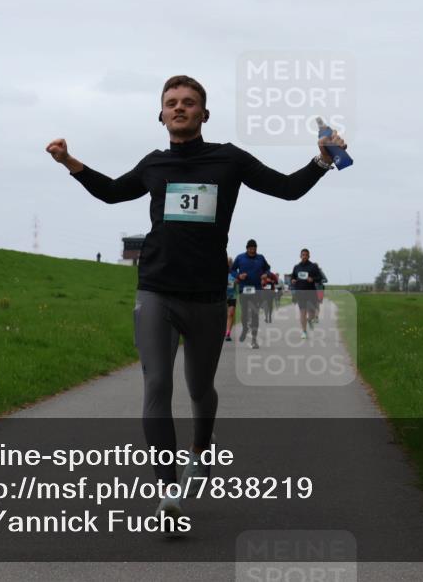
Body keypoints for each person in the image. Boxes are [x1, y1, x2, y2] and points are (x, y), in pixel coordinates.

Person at [46, 75, 346, 527]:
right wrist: (69, 160)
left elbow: (287, 188)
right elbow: (111, 192)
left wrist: (321, 161)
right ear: (161, 114)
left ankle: (202, 449)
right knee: (156, 386)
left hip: (207, 295)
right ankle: (168, 491)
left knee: (200, 389)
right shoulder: (153, 166)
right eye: (172, 103)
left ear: (204, 114)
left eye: (189, 103)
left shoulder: (228, 159)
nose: (180, 108)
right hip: (156, 289)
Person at [231, 239, 270, 349]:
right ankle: (245, 328)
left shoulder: (260, 258)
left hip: (257, 290)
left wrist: (265, 275)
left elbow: (267, 269)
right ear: (247, 248)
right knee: (244, 313)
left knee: (254, 314)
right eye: (251, 248)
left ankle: (254, 340)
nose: (253, 250)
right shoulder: (240, 258)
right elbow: (232, 270)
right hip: (244, 289)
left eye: (254, 248)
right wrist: (238, 276)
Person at [290, 248, 323, 338]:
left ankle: (310, 320)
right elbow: (293, 276)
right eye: (303, 255)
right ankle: (304, 332)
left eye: (306, 255)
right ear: (300, 256)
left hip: (311, 292)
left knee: (311, 312)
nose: (304, 256)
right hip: (300, 292)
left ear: (309, 256)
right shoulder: (296, 267)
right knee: (302, 312)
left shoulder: (313, 266)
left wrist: (312, 279)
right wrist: (292, 280)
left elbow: (320, 277)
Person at [225, 256, 237, 341]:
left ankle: (228, 333)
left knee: (231, 314)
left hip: (232, 296)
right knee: (222, 315)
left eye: (230, 263)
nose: (229, 264)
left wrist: (237, 281)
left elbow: (239, 280)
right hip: (222, 297)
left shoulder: (235, 273)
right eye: (228, 263)